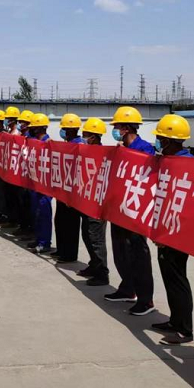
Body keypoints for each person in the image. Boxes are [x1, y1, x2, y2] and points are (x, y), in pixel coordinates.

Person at [104, 106, 156, 316]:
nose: (115, 130)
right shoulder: (120, 149)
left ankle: (146, 300)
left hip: (135, 210)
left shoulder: (145, 149)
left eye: (117, 127)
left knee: (138, 254)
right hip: (119, 209)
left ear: (125, 128)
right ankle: (127, 288)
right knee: (120, 250)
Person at [151, 114, 194, 345]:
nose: (158, 142)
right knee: (169, 277)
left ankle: (184, 330)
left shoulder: (189, 165)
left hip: (178, 232)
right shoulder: (168, 160)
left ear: (170, 140)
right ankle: (175, 320)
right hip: (166, 229)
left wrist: (168, 234)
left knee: (177, 279)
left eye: (161, 139)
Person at [75, 117, 110, 286]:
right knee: (87, 235)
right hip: (86, 201)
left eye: (86, 135)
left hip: (96, 204)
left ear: (93, 137)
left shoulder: (103, 155)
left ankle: (102, 273)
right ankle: (93, 265)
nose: (83, 138)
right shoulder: (86, 152)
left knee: (96, 239)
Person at [54, 113, 84, 263]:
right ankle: (61, 250)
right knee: (60, 221)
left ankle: (69, 255)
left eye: (65, 129)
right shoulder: (67, 143)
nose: (63, 132)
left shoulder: (80, 145)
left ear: (72, 130)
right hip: (62, 190)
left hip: (72, 193)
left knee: (70, 225)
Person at [26, 113, 53, 254]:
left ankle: (45, 243)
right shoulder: (34, 142)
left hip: (45, 186)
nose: (31, 130)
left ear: (40, 128)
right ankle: (38, 239)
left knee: (44, 214)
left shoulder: (49, 143)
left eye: (33, 128)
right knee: (36, 213)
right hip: (35, 184)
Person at [12, 110, 35, 239]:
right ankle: (24, 227)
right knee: (22, 203)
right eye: (20, 122)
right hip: (22, 174)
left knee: (29, 206)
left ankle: (30, 230)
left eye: (23, 122)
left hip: (30, 177)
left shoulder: (31, 138)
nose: (20, 124)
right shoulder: (23, 136)